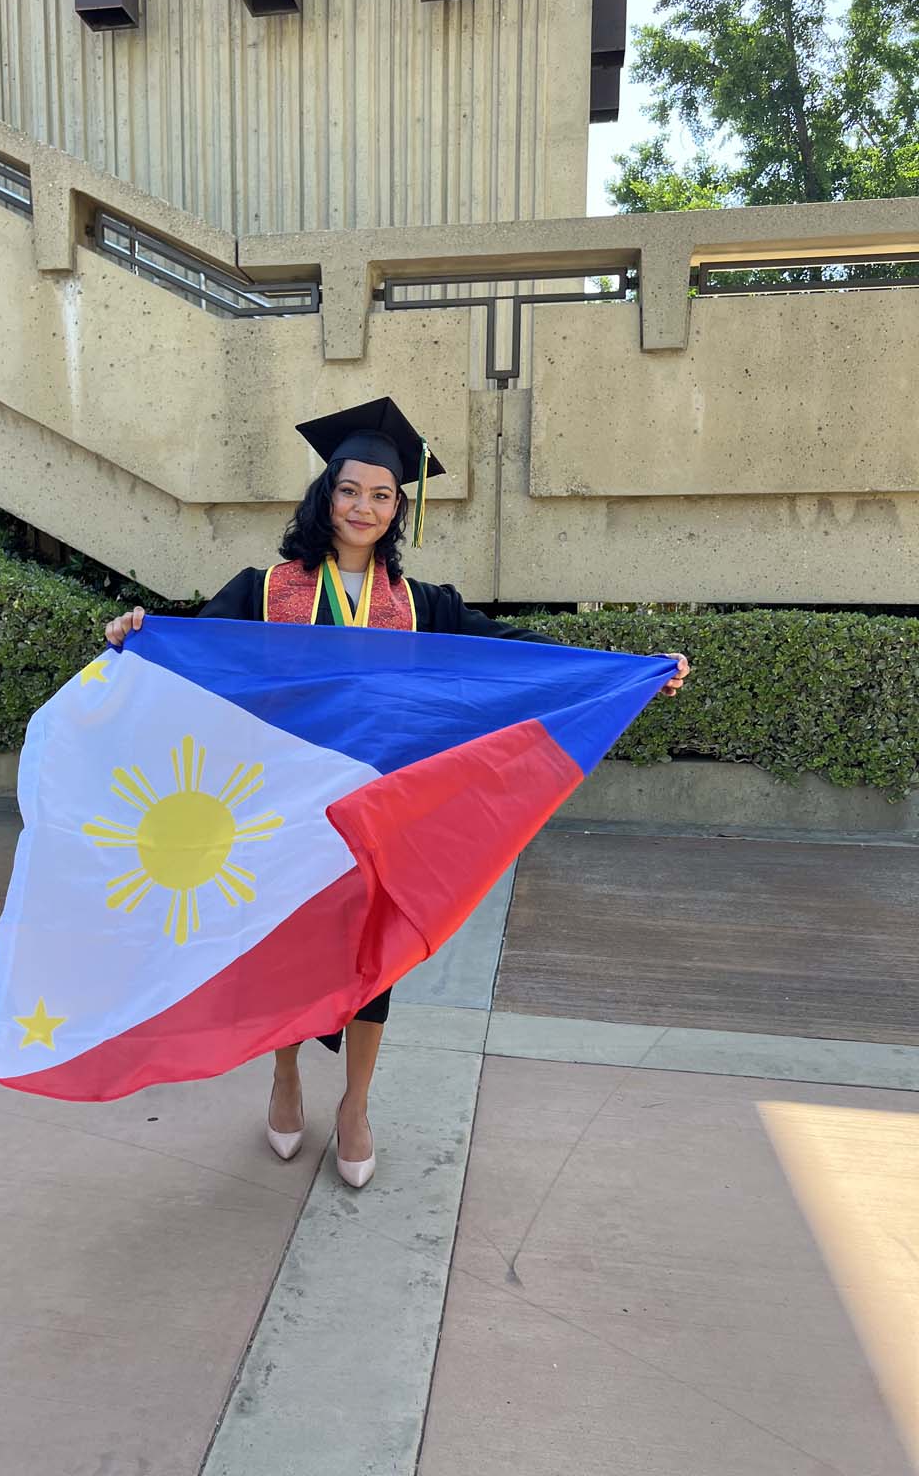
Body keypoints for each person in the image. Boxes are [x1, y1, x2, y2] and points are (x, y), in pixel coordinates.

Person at [105, 398, 690, 1187]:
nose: (364, 508)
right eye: (350, 491)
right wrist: (138, 633)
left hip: (385, 811)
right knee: (286, 947)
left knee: (375, 960)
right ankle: (284, 1079)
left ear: (398, 508)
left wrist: (626, 672)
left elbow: (519, 656)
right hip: (286, 808)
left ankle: (355, 1105)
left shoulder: (425, 608)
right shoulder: (263, 589)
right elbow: (199, 653)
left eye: (382, 496)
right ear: (326, 495)